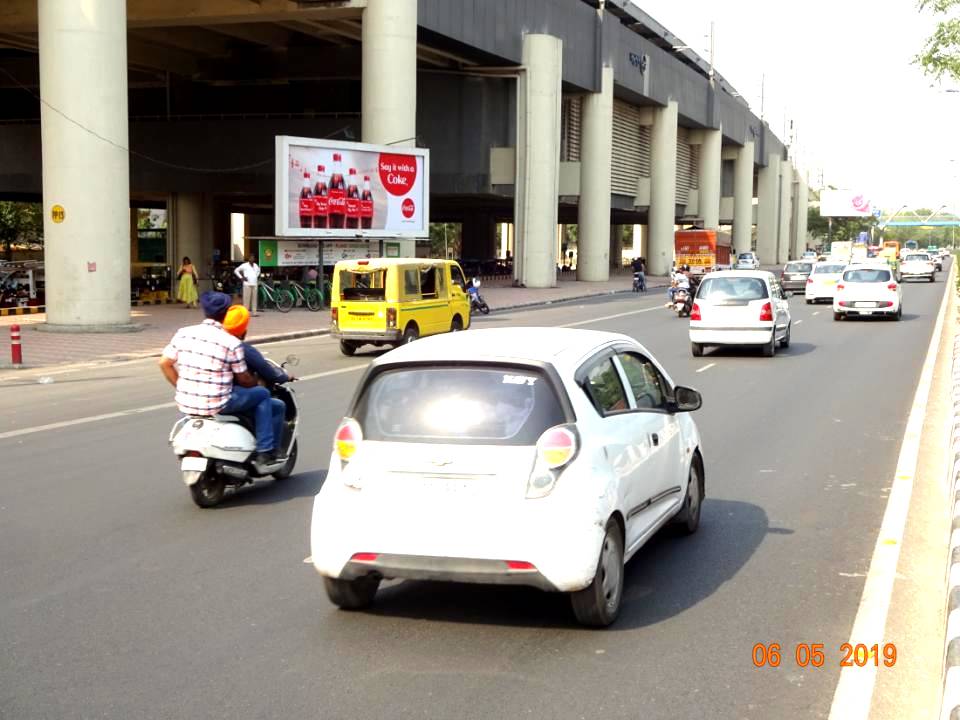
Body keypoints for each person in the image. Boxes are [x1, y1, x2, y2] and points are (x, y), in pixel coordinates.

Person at [158, 291, 279, 465]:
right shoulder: (230, 342)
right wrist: (256, 383)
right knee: (262, 395)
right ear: (226, 313)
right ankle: (265, 450)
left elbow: (164, 364)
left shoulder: (183, 333)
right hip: (219, 404)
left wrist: (182, 387)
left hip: (186, 402)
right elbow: (244, 379)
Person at [222, 304, 294, 454]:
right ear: (244, 330)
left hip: (201, 399)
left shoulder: (212, 343)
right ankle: (267, 449)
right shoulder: (240, 347)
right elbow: (265, 371)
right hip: (229, 396)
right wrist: (284, 376)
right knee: (267, 397)